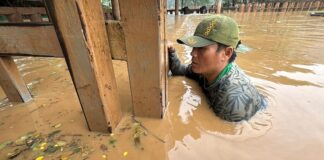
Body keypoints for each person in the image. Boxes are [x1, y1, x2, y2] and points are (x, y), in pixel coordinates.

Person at [168, 15, 267, 122]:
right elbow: (180, 71)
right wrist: (171, 52)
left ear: (227, 53)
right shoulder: (206, 69)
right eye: (194, 47)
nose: (193, 53)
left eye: (201, 48)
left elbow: (230, 133)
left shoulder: (233, 103)